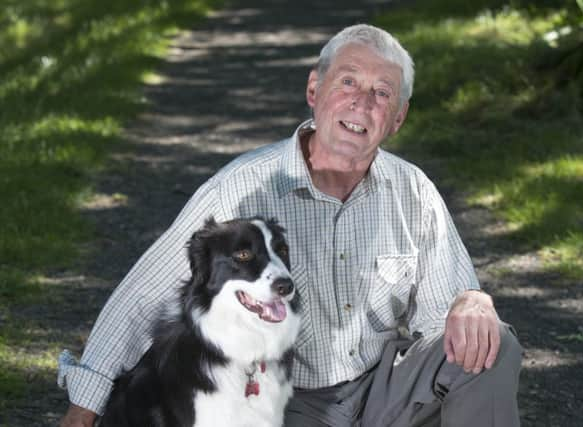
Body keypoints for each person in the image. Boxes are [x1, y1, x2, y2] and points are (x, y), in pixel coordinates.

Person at [59, 24, 522, 427]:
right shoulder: (240, 190)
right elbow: (143, 298)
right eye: (347, 82)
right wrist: (85, 408)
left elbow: (452, 315)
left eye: (382, 93)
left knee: (489, 344)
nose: (362, 103)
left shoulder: (413, 191)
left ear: (396, 118)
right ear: (314, 92)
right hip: (284, 402)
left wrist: (473, 299)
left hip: (382, 391)